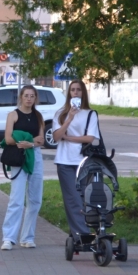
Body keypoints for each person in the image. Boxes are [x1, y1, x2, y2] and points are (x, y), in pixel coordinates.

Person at [52, 80, 98, 241]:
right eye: (73, 90)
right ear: (69, 93)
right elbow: (56, 137)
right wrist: (69, 119)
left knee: (86, 198)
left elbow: (90, 138)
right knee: (73, 199)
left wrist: (69, 137)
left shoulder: (90, 114)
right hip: (65, 162)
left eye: (79, 90)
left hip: (84, 161)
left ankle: (78, 232)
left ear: (83, 93)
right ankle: (83, 235)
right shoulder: (60, 114)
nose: (76, 93)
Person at [0, 85, 45, 250]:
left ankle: (27, 237)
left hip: (35, 155)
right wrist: (23, 143)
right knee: (16, 199)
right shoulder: (13, 115)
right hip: (19, 156)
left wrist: (31, 143)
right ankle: (8, 238)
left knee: (35, 199)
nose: (29, 99)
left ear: (35, 98)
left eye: (32, 96)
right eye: (26, 95)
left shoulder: (38, 116)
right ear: (21, 97)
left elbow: (41, 140)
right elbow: (8, 138)